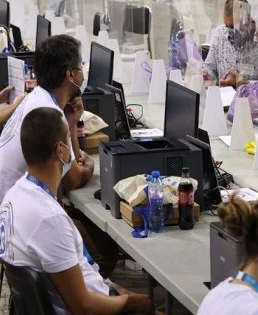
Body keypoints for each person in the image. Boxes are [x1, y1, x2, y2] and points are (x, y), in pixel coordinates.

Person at [0, 107, 155, 315]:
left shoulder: (13, 197)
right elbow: (84, 307)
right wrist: (131, 303)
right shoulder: (48, 218)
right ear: (60, 150)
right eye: (68, 139)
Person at [0, 35, 93, 202]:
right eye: (80, 66)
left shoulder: (36, 97)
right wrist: (90, 168)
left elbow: (69, 164)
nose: (83, 71)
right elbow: (73, 179)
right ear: (70, 74)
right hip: (9, 207)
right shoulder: (49, 116)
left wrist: (71, 123)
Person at [203, 0, 249, 85]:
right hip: (224, 92)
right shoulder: (220, 33)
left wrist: (239, 81)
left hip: (249, 93)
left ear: (246, 19)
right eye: (226, 25)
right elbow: (210, 67)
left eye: (232, 26)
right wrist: (207, 74)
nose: (229, 30)